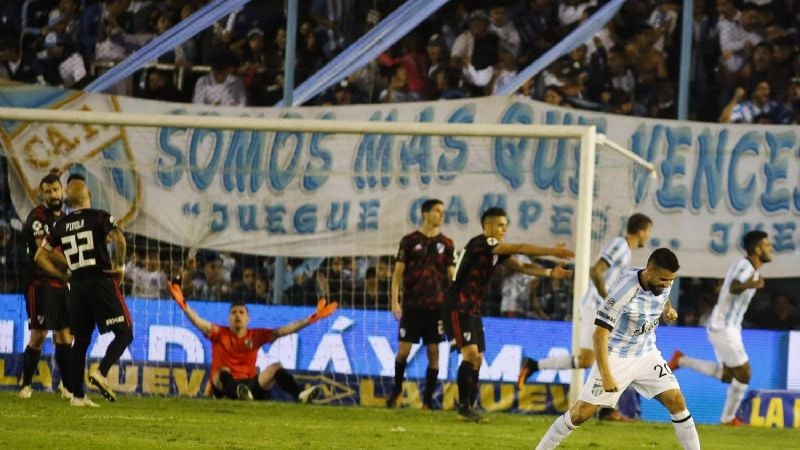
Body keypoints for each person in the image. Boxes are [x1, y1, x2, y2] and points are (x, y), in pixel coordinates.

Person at [535, 249, 701, 450]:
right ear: (649, 271)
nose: (667, 284)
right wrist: (606, 375)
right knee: (581, 413)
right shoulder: (624, 291)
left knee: (676, 400)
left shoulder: (664, 280)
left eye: (670, 280)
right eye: (664, 280)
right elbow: (599, 334)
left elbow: (663, 296)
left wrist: (668, 309)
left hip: (647, 353)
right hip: (616, 357)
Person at [519, 213, 653, 420]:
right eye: (648, 232)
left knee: (585, 360)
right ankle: (607, 410)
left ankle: (533, 365)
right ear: (642, 231)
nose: (648, 237)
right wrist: (608, 300)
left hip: (595, 306)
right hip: (596, 307)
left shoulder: (624, 250)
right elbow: (596, 271)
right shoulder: (620, 245)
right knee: (613, 356)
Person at [447, 207, 574, 422]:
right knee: (470, 355)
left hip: (473, 308)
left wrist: (549, 272)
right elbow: (521, 248)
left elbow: (521, 266)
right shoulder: (482, 243)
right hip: (458, 305)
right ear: (487, 227)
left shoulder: (495, 252)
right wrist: (551, 251)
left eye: (506, 225)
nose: (504, 229)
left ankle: (469, 405)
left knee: (477, 358)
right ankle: (464, 409)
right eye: (499, 225)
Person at [35, 177, 130, 407]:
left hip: (75, 286)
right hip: (99, 281)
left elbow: (39, 256)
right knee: (125, 333)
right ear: (87, 193)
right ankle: (102, 372)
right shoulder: (99, 216)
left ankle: (77, 396)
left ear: (69, 199)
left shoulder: (61, 225)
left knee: (81, 341)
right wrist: (119, 267)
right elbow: (119, 239)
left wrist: (62, 275)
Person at [167, 279, 335, 402]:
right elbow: (197, 321)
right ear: (228, 318)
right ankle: (238, 393)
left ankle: (300, 395)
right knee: (222, 371)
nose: (237, 315)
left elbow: (285, 330)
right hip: (224, 388)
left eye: (241, 312)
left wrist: (311, 318)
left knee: (275, 367)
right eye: (234, 313)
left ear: (248, 318)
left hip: (249, 387)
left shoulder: (256, 335)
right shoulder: (219, 333)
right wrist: (183, 304)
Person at [668, 230, 773, 425]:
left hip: (727, 326)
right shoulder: (746, 266)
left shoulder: (749, 268)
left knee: (728, 376)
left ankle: (681, 360)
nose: (771, 248)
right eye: (767, 245)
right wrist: (751, 283)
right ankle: (728, 418)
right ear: (757, 250)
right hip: (724, 327)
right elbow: (734, 286)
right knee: (744, 374)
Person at [386, 199, 454, 409]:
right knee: (403, 351)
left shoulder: (448, 244)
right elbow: (397, 275)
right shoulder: (409, 241)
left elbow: (451, 278)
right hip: (413, 306)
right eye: (437, 211)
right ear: (425, 213)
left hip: (437, 307)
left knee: (434, 353)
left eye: (443, 212)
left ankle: (427, 401)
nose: (441, 215)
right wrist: (395, 301)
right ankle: (397, 389)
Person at [19, 173, 72, 399]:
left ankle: (65, 385)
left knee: (64, 335)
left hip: (61, 284)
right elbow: (44, 252)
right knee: (39, 335)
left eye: (55, 190)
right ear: (42, 194)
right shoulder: (37, 217)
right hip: (39, 284)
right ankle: (26, 385)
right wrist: (70, 267)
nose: (53, 195)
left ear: (62, 191)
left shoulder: (68, 219)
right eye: (48, 191)